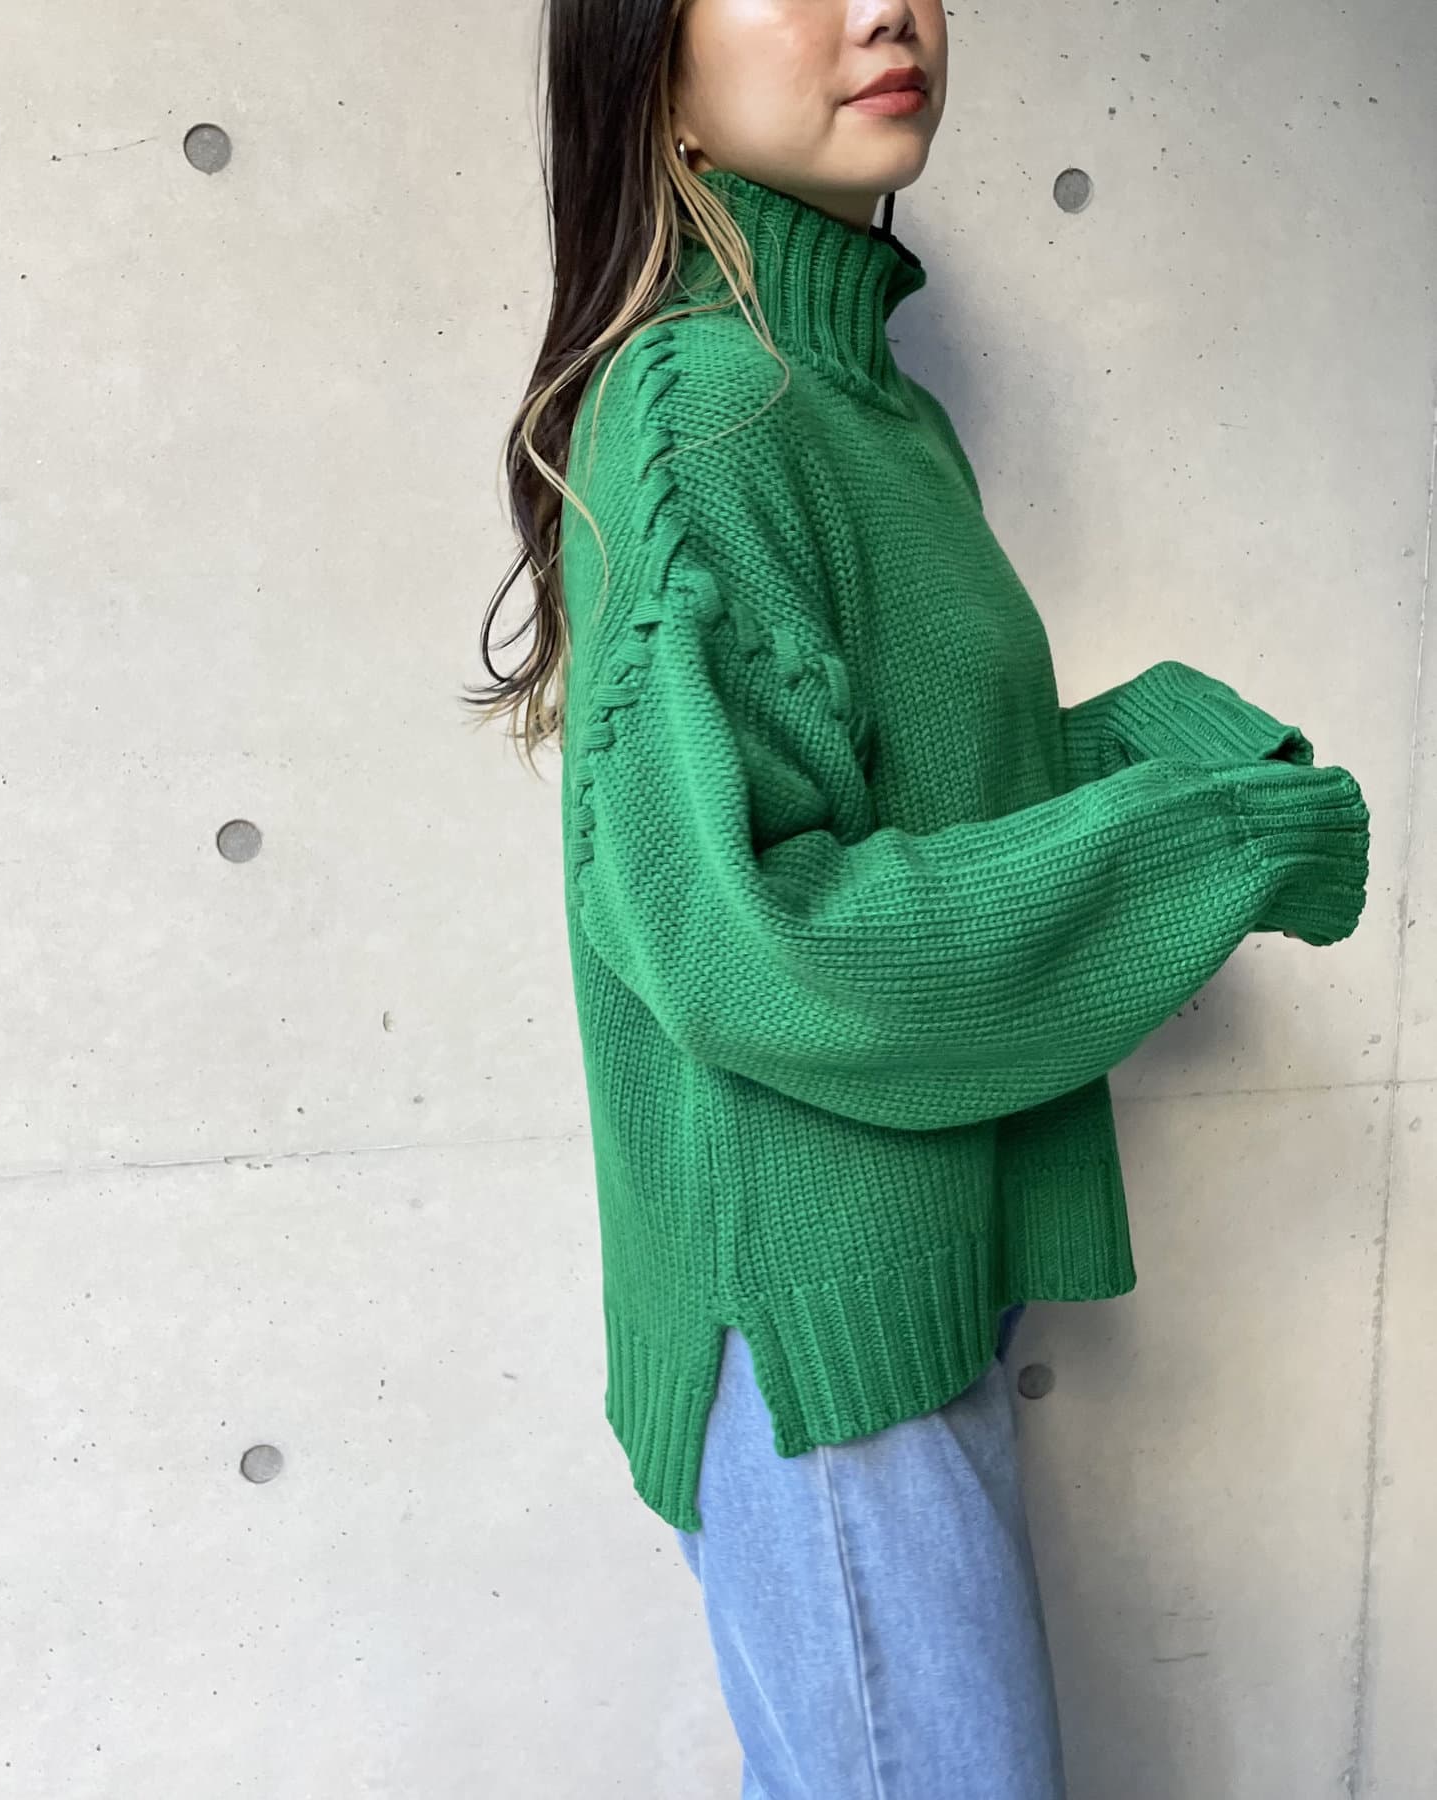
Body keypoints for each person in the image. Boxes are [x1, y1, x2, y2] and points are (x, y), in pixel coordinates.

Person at [468, 2, 1371, 1794]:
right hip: (822, 1334)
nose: (886, 9)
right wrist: (1201, 840)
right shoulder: (706, 409)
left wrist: (1184, 753)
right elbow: (743, 934)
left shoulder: (864, 400)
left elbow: (932, 792)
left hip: (894, 1269)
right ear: (654, 64)